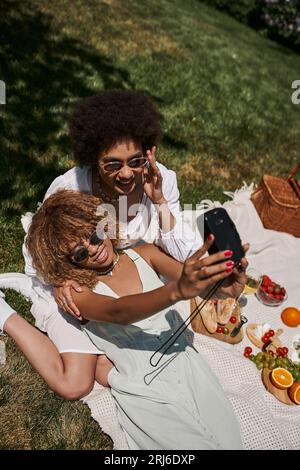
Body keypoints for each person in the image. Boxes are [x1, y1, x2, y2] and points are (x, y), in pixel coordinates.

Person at [0, 189, 248, 449]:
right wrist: (176, 291)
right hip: (145, 388)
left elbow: (201, 285)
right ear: (67, 263)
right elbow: (119, 312)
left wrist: (229, 287)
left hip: (187, 362)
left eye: (94, 235)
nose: (94, 250)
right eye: (80, 254)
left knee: (229, 441)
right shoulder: (79, 292)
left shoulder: (145, 254)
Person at [20, 89, 203, 373]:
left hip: (130, 269)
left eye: (135, 160)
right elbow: (41, 247)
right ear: (94, 158)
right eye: (113, 164)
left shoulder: (160, 180)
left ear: (148, 152)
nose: (127, 174)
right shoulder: (71, 187)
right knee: (92, 361)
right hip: (85, 276)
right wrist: (59, 282)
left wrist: (159, 201)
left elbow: (186, 252)